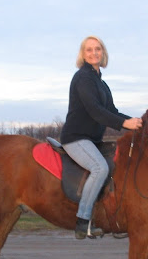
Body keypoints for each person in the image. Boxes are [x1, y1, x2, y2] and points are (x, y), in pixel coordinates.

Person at [60, 36, 142, 239]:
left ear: (103, 53)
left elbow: (111, 111)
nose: (94, 53)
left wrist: (135, 123)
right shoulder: (82, 78)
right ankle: (82, 222)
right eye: (89, 50)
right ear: (83, 54)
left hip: (91, 140)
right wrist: (124, 124)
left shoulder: (101, 83)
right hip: (76, 138)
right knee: (100, 168)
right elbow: (95, 111)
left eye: (97, 49)